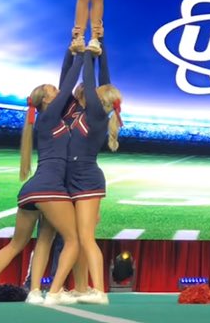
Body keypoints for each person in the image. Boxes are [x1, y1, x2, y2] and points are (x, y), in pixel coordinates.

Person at [0, 52, 82, 305]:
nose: (59, 91)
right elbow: (70, 83)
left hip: (32, 191)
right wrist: (83, 55)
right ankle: (54, 292)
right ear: (47, 100)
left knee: (30, 242)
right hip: (51, 188)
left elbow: (65, 82)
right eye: (54, 91)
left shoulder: (46, 119)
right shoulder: (50, 117)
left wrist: (69, 52)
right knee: (74, 239)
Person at [63, 49, 122, 303]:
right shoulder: (87, 112)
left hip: (86, 178)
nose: (90, 89)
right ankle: (81, 287)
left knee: (86, 238)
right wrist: (103, 45)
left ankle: (99, 290)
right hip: (75, 176)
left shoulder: (97, 114)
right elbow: (102, 79)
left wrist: (89, 53)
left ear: (102, 99)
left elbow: (90, 79)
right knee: (77, 238)